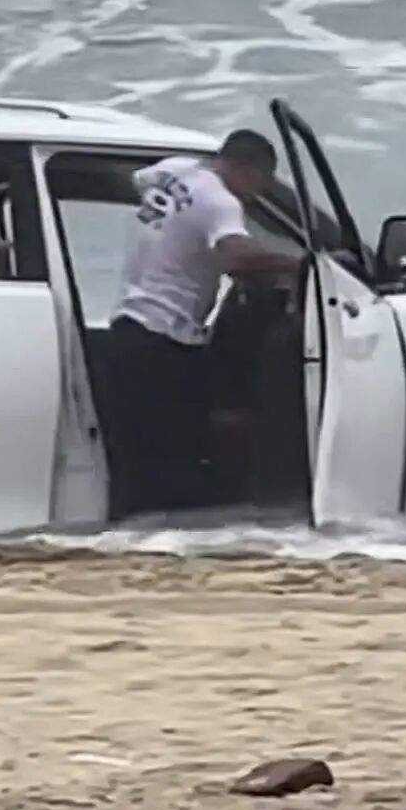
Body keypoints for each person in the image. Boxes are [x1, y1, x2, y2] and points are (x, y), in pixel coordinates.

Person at [104, 128, 298, 520]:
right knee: (174, 462)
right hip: (165, 341)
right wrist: (300, 265)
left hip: (130, 327)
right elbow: (236, 258)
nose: (254, 196)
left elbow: (134, 182)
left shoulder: (171, 170)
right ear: (250, 170)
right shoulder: (220, 202)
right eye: (259, 185)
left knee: (135, 460)